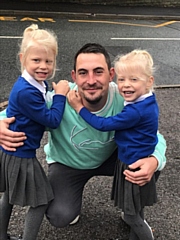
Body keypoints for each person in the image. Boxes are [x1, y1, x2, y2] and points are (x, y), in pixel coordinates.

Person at [0, 43, 166, 233]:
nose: (91, 80)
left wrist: (154, 160)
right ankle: (72, 201)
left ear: (111, 74)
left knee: (146, 165)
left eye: (98, 72)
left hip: (113, 159)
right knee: (59, 215)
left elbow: (153, 135)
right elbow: (14, 111)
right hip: (68, 164)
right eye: (83, 73)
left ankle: (132, 208)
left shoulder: (125, 95)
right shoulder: (58, 99)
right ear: (74, 76)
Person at [68, 49, 158, 240]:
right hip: (133, 160)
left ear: (149, 81)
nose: (126, 85)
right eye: (122, 79)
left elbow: (103, 124)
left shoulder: (135, 111)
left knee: (132, 215)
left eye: (134, 80)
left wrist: (79, 108)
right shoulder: (148, 101)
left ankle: (146, 236)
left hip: (131, 164)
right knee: (136, 209)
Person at [0, 24, 69, 240]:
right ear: (23, 59)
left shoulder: (35, 84)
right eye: (36, 60)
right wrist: (61, 95)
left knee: (9, 197)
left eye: (48, 61)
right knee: (41, 200)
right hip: (21, 154)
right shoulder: (26, 92)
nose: (43, 66)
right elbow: (52, 120)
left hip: (13, 151)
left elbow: (45, 93)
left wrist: (52, 90)